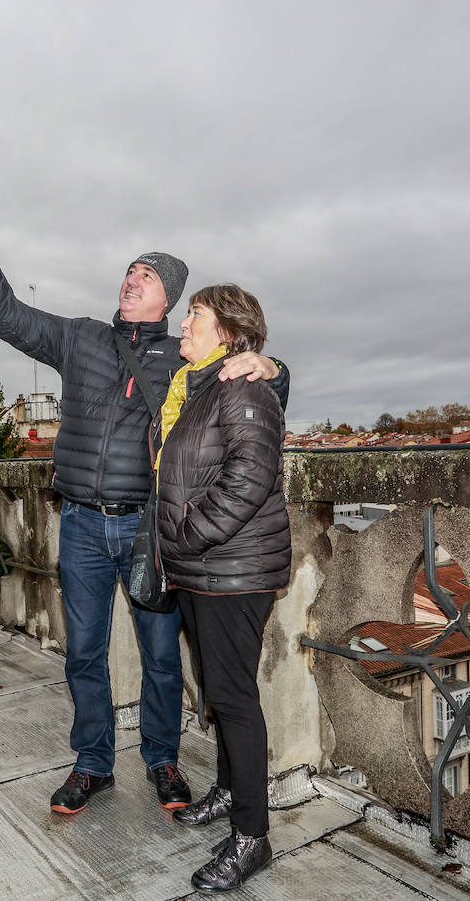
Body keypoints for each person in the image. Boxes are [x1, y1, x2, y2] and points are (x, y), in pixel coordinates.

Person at [0, 178, 289, 815]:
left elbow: (259, 383)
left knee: (163, 657)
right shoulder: (80, 338)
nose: (130, 278)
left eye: (146, 274)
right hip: (79, 521)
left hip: (147, 529)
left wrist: (271, 365)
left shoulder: (184, 356)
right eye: (128, 271)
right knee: (84, 652)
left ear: (169, 298)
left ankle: (162, 759)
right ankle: (92, 763)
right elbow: (5, 315)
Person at [154, 285, 291, 893]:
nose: (184, 323)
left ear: (229, 333)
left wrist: (185, 535)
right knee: (216, 687)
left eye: (195, 316)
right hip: (202, 569)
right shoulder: (197, 388)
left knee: (234, 699)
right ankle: (231, 789)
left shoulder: (243, 388)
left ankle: (251, 836)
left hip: (232, 572)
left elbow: (249, 478)